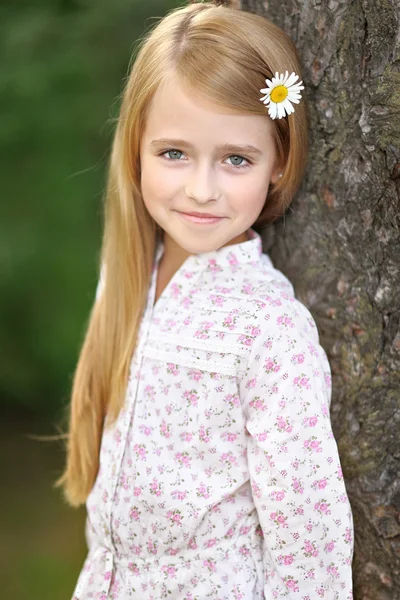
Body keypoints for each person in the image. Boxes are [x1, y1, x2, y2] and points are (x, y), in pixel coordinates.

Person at [56, 1, 354, 598]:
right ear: (136, 146)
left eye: (236, 159)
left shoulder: (267, 330)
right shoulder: (126, 274)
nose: (201, 189)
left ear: (279, 163)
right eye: (174, 153)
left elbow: (310, 542)